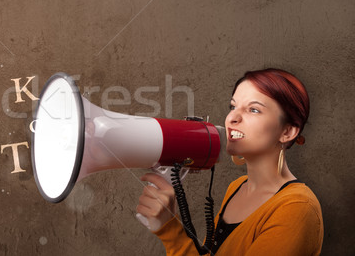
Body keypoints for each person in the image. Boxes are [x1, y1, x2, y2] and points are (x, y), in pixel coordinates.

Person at [136, 68, 324, 255]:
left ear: (288, 132)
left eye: (254, 109)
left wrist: (170, 231)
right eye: (233, 107)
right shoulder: (237, 187)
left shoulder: (297, 207)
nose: (232, 118)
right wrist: (165, 223)